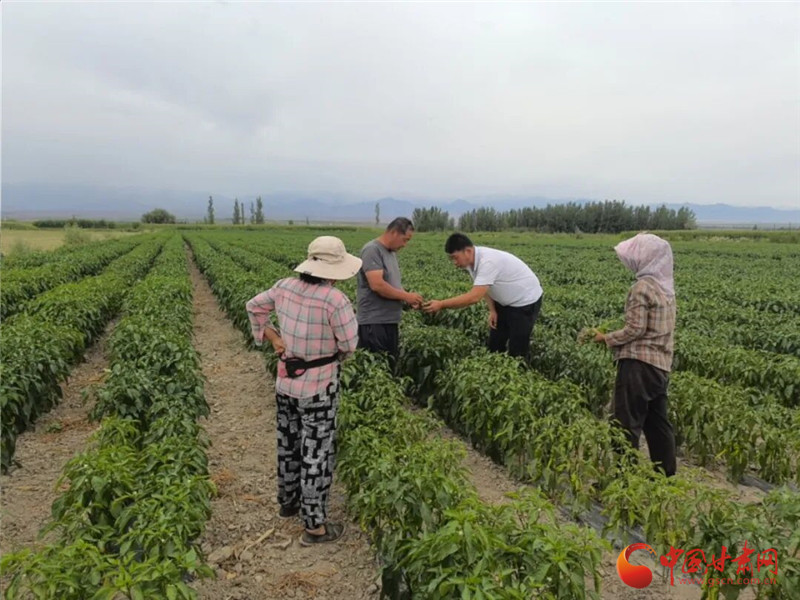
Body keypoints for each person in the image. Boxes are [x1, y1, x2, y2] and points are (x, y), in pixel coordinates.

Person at [245, 236, 361, 545]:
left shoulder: (284, 287)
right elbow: (349, 344)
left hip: (286, 381)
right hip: (319, 386)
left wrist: (274, 338)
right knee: (316, 452)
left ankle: (288, 502)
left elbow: (253, 307)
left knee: (288, 442)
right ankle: (314, 527)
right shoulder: (334, 300)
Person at [593, 232, 677, 477]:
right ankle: (665, 476)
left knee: (624, 423)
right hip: (660, 366)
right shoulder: (666, 288)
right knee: (657, 423)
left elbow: (635, 329)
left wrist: (605, 338)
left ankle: (623, 478)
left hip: (637, 366)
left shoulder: (641, 288)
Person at [423, 233, 543, 364]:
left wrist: (441, 304)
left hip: (525, 301)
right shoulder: (471, 262)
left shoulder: (488, 262)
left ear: (468, 251)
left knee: (517, 350)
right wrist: (493, 310)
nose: (455, 263)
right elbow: (484, 287)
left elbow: (474, 297)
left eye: (455, 258)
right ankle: (496, 369)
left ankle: (520, 372)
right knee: (495, 344)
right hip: (503, 301)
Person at [356, 217, 424, 360]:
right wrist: (406, 296)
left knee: (390, 363)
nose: (405, 245)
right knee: (378, 365)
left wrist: (408, 300)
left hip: (389, 321)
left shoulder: (391, 253)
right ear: (394, 233)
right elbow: (377, 285)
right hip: (374, 323)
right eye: (405, 240)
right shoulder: (372, 250)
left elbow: (393, 285)